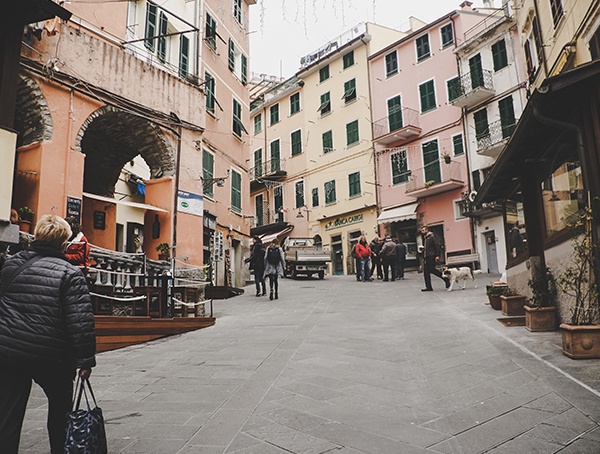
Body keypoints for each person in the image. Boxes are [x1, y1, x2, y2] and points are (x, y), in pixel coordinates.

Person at [0, 214, 96, 454]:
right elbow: (79, 321)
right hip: (50, 355)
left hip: (10, 350)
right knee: (61, 409)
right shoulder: (70, 274)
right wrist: (85, 360)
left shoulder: (12, 264)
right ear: (63, 242)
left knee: (8, 414)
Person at [420, 225, 450, 292]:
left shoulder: (432, 237)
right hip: (426, 257)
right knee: (426, 273)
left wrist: (437, 255)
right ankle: (428, 287)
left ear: (427, 230)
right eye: (422, 230)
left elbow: (437, 246)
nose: (422, 232)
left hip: (431, 256)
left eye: (423, 230)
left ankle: (446, 279)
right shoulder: (426, 238)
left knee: (432, 270)